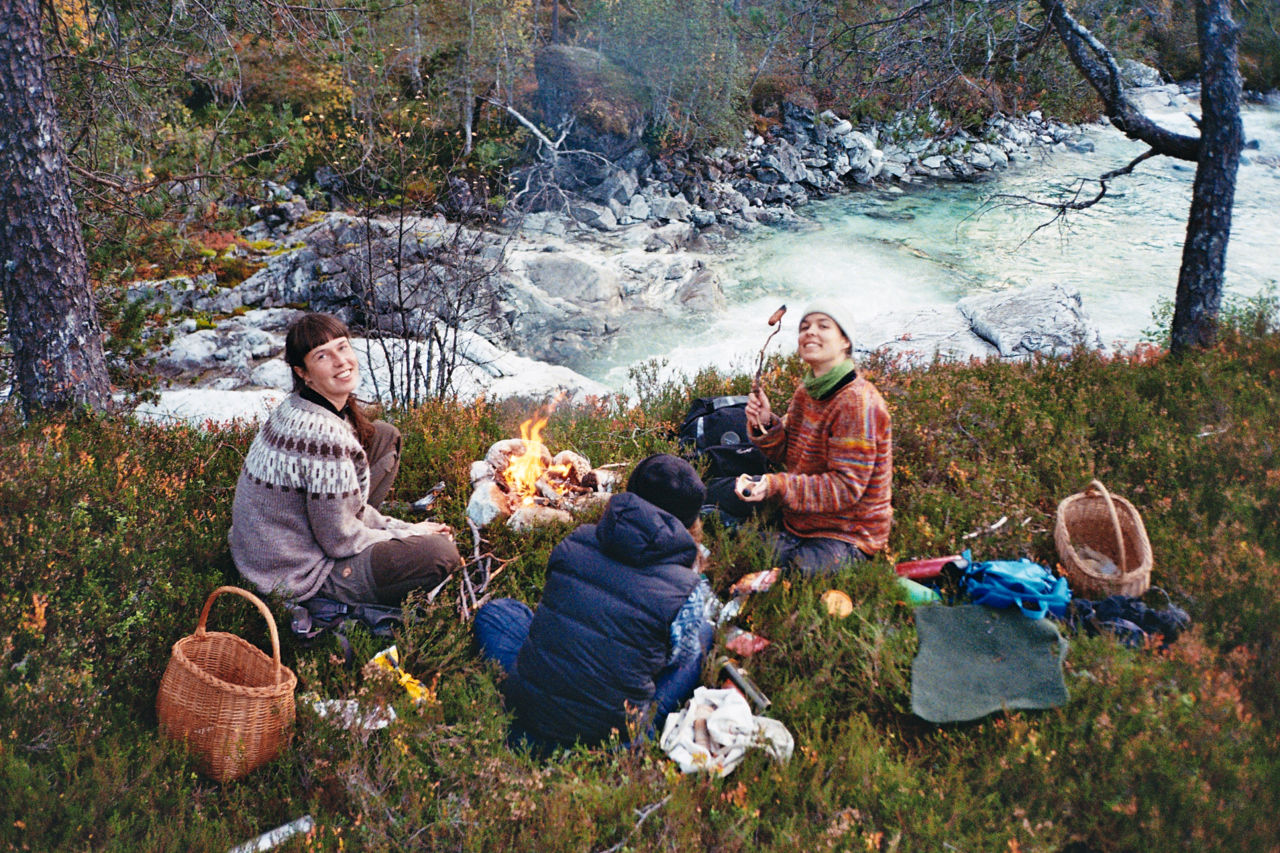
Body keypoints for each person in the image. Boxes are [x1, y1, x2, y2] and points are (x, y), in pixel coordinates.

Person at [473, 454, 718, 751]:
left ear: (630, 492)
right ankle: (643, 732)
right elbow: (675, 660)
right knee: (703, 633)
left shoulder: (577, 540)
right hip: (612, 741)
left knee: (498, 612)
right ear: (690, 521)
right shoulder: (687, 588)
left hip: (529, 718)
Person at [229, 312, 461, 606]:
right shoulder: (324, 437)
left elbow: (341, 517)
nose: (341, 361)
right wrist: (408, 532)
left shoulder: (299, 406)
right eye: (322, 356)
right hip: (293, 572)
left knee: (384, 436)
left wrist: (399, 528)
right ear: (303, 372)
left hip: (274, 547)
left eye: (342, 347)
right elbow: (340, 540)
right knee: (439, 554)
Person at [734, 301, 892, 576]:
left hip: (847, 532)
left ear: (845, 341)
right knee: (731, 527)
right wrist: (766, 424)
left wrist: (776, 485)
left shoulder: (856, 402)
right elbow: (787, 453)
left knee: (791, 571)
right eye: (804, 327)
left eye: (823, 326)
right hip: (802, 519)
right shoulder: (807, 393)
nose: (810, 332)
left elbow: (845, 488)